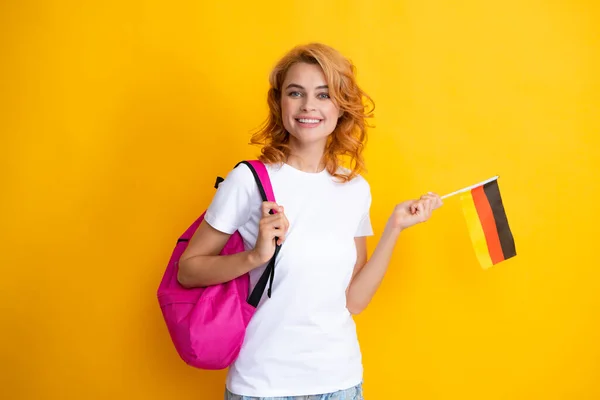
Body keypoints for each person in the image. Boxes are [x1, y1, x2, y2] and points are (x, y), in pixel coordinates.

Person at [177, 43, 443, 400]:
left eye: (323, 94)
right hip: (261, 387)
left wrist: (394, 227)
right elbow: (188, 271)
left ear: (340, 106)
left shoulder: (354, 189)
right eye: (295, 93)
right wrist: (255, 257)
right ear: (279, 103)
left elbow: (353, 301)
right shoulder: (249, 181)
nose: (308, 106)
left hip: (340, 383)